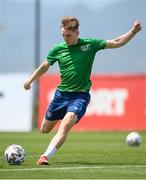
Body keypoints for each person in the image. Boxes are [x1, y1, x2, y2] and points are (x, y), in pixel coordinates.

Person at [24, 16, 142, 165]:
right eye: (63, 35)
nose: (65, 38)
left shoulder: (90, 44)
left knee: (67, 122)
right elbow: (45, 66)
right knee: (44, 129)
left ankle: (45, 156)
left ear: (77, 33)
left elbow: (116, 42)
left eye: (68, 35)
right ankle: (62, 117)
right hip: (61, 95)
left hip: (80, 96)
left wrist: (133, 32)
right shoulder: (57, 49)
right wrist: (30, 80)